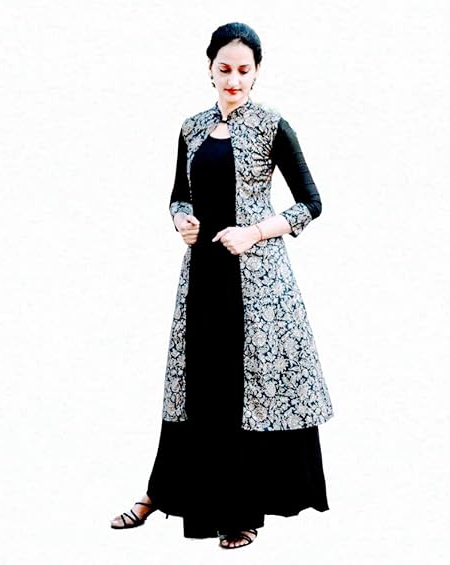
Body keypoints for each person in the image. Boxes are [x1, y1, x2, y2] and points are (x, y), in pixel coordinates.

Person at [110, 21, 334, 549]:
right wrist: (180, 220)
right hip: (203, 277)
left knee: (246, 392)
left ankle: (241, 512)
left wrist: (254, 232)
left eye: (243, 70)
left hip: (259, 283)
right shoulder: (192, 127)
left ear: (257, 73)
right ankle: (164, 493)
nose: (234, 80)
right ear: (209, 69)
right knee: (195, 388)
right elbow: (178, 194)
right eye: (225, 69)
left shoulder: (273, 126)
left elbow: (311, 203)